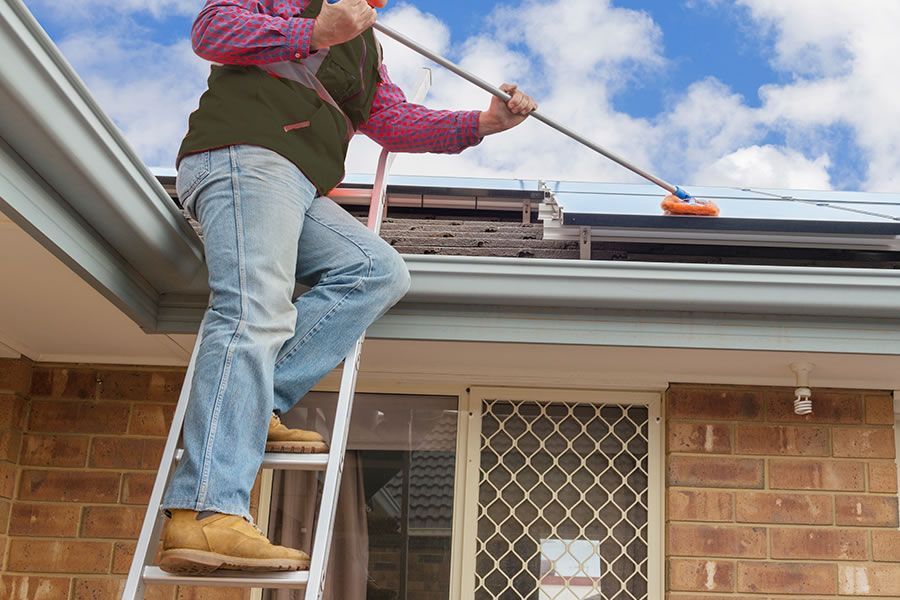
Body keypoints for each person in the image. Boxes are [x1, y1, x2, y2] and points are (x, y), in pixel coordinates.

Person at [158, 0, 537, 575]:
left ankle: (254, 404)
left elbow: (393, 121)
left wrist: (483, 123)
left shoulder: (368, 47)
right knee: (255, 312)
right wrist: (313, 30)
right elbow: (212, 30)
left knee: (378, 271)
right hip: (246, 156)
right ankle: (207, 512)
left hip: (302, 184)